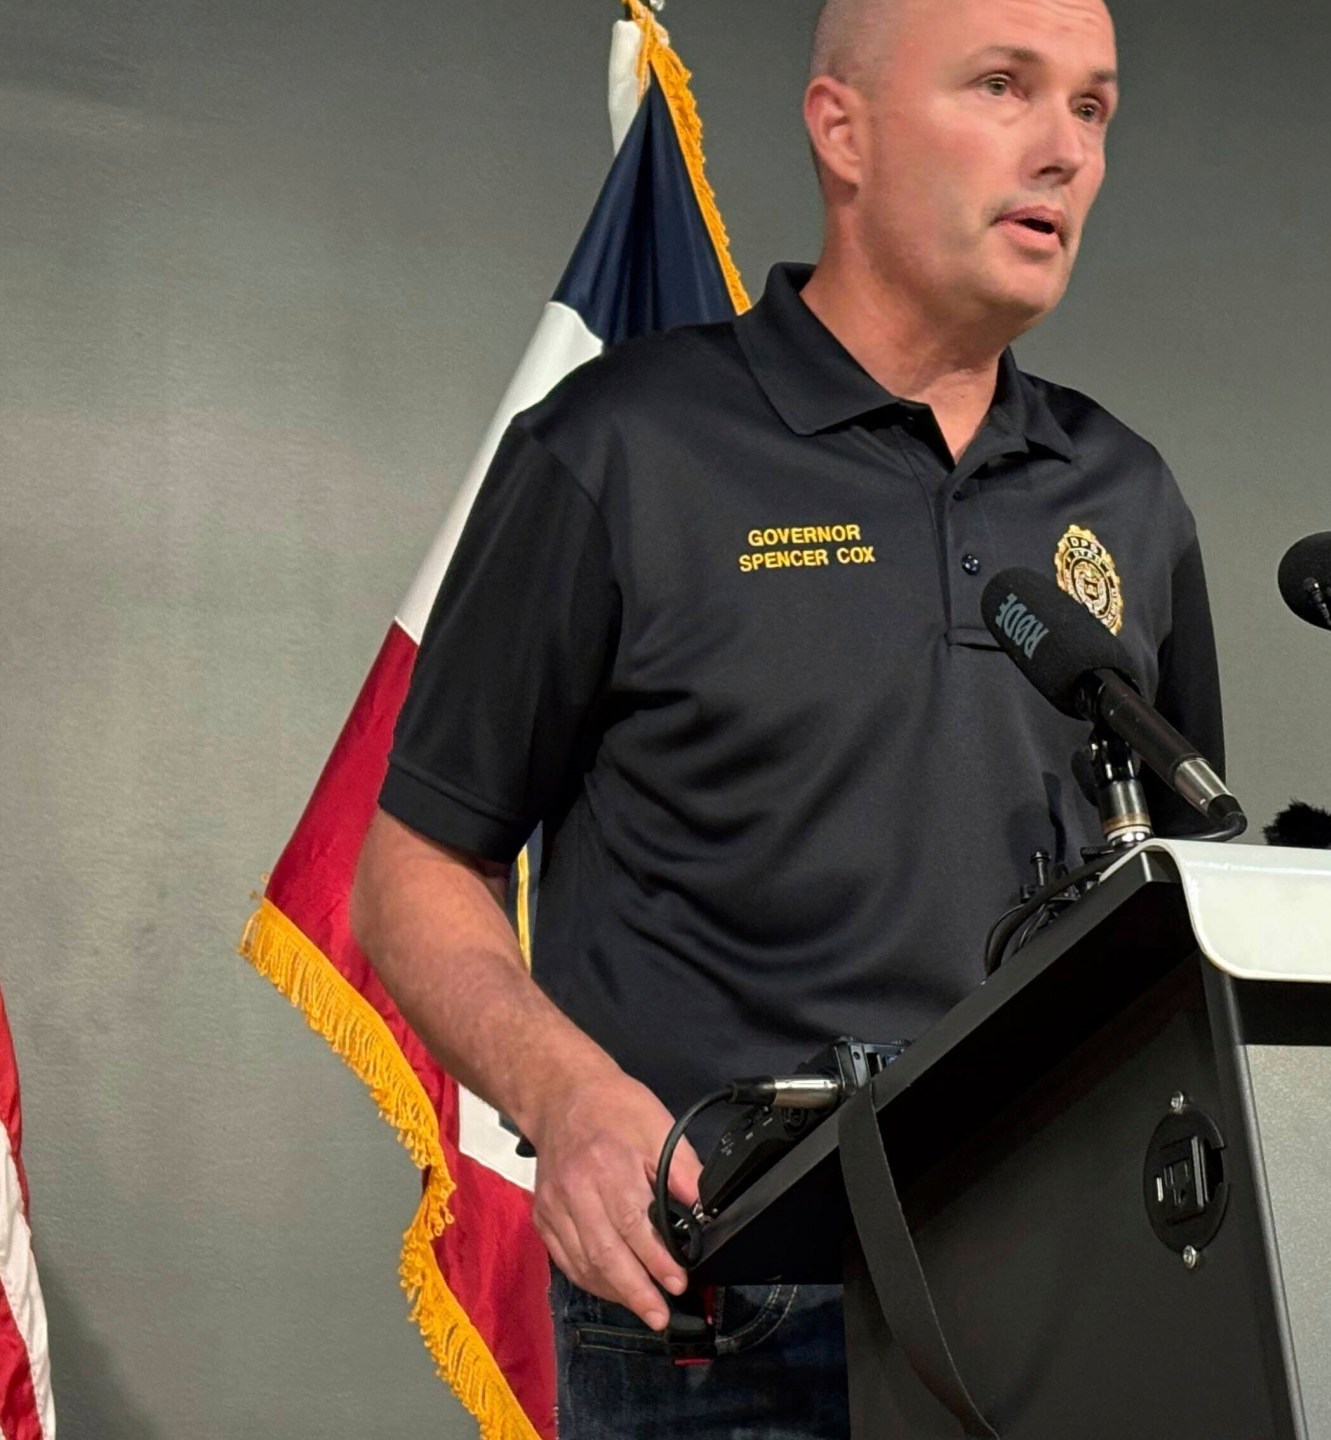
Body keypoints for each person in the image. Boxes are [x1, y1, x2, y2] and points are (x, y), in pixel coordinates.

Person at [348, 0, 1219, 1433]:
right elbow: (411, 873)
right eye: (1003, 87)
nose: (1065, 150)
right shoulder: (624, 447)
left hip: (1061, 1291)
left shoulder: (1125, 494)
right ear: (843, 131)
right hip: (726, 1312)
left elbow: (1176, 896)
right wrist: (568, 1098)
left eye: (1092, 107)